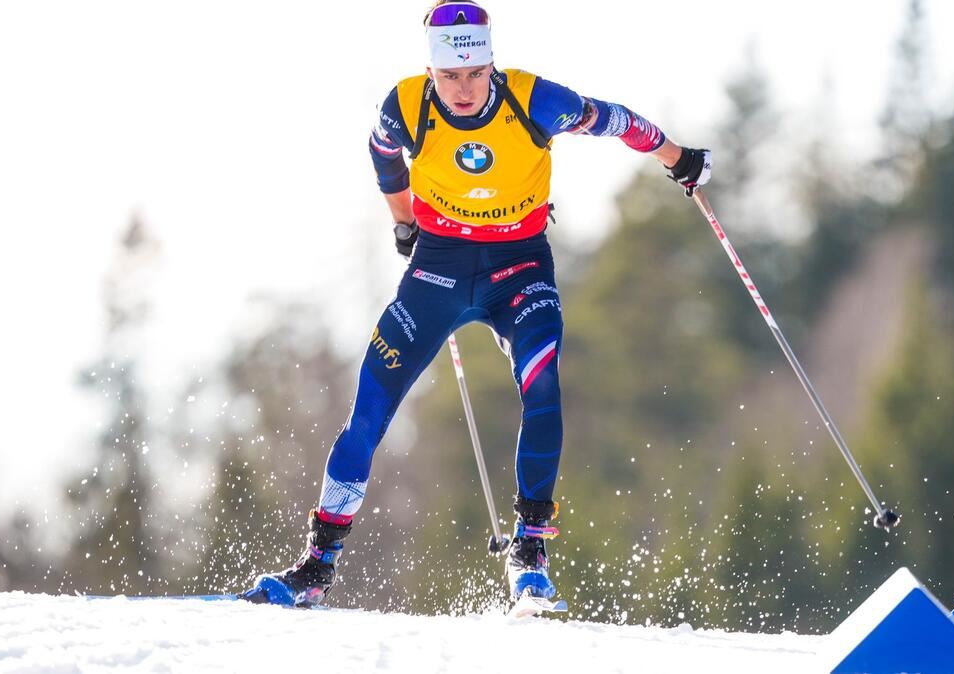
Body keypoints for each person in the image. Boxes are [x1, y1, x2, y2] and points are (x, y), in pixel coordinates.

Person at [242, 0, 711, 608]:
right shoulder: (406, 104)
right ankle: (317, 564)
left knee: (543, 388)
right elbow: (382, 154)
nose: (463, 90)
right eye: (449, 77)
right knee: (368, 409)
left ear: (491, 64)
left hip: (519, 271)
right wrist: (403, 220)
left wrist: (677, 157)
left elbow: (615, 119)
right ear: (431, 73)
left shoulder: (534, 100)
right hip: (437, 270)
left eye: (474, 74)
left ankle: (530, 553)